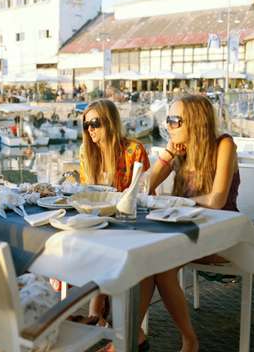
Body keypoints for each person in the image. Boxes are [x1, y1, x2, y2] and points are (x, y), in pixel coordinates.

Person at [145, 94, 240, 352]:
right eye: (168, 120)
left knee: (161, 267)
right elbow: (146, 186)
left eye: (174, 121)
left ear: (196, 122)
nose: (168, 126)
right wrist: (167, 154)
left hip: (221, 235)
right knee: (146, 260)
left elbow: (217, 200)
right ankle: (134, 336)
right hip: (185, 232)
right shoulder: (180, 151)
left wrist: (175, 203)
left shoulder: (224, 145)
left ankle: (189, 339)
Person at [65, 99, 150, 348]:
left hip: (128, 223)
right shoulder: (86, 153)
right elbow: (87, 193)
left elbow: (142, 194)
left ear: (110, 123)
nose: (90, 129)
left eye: (95, 123)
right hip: (99, 222)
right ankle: (98, 314)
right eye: (86, 124)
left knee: (102, 249)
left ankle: (99, 314)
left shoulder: (134, 150)